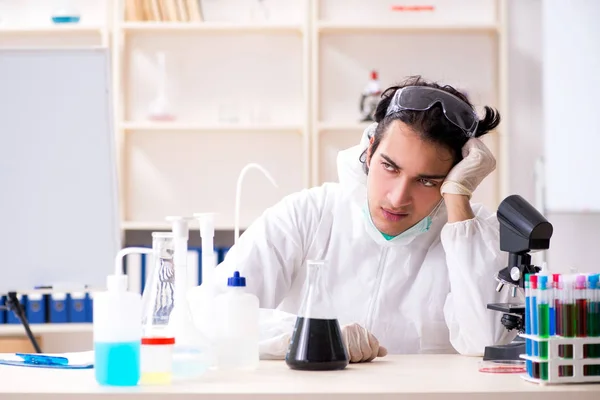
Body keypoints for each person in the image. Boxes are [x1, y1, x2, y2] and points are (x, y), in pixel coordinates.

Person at [188, 75, 515, 363]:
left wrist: (459, 199)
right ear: (369, 150)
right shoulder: (308, 214)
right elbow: (207, 313)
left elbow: (487, 343)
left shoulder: (472, 238)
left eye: (427, 180)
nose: (398, 197)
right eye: (390, 167)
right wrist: (314, 334)